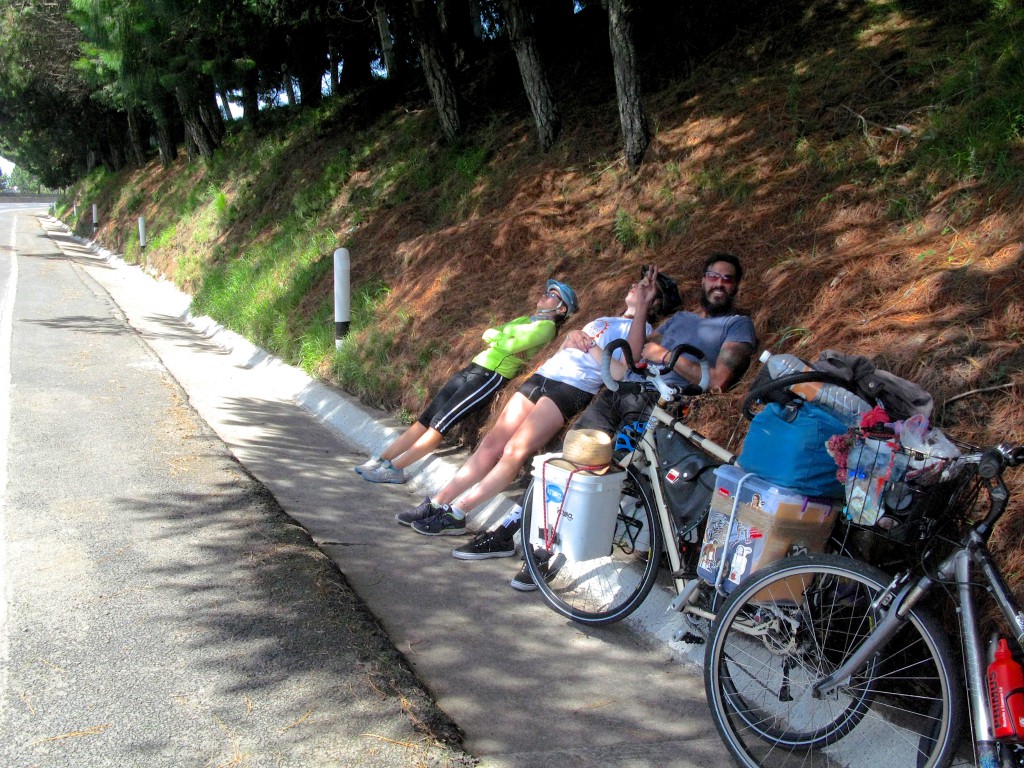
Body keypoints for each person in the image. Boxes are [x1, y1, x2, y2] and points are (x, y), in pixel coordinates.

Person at [455, 254, 756, 592]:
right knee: (567, 460)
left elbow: (716, 379)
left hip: (656, 405)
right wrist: (643, 327)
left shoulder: (737, 325)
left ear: (736, 286)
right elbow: (637, 352)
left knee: (604, 469)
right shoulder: (679, 319)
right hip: (622, 392)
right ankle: (520, 536)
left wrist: (667, 356)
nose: (719, 283)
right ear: (703, 280)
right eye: (713, 276)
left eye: (727, 279)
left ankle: (541, 552)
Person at [395, 276, 679, 537]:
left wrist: (590, 344)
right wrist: (570, 339)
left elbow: (620, 372)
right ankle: (438, 502)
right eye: (636, 284)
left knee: (514, 451)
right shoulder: (607, 318)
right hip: (546, 376)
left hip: (573, 388)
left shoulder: (642, 331)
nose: (634, 287)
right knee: (491, 443)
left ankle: (459, 511)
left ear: (652, 300)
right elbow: (565, 350)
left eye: (642, 287)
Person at [356, 280, 577, 484]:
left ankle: (395, 469)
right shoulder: (527, 320)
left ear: (561, 309)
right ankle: (383, 458)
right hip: (475, 366)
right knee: (427, 417)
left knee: (441, 423)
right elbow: (491, 333)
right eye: (546, 292)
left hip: (490, 375)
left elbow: (508, 344)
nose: (544, 295)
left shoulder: (546, 328)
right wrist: (501, 338)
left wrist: (500, 339)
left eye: (552, 295)